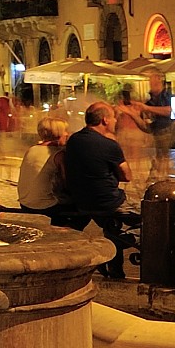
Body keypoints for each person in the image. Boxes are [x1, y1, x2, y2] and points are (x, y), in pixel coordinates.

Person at [58, 102, 133, 273]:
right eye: (114, 117)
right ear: (105, 120)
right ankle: (111, 255)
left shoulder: (74, 140)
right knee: (147, 218)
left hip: (80, 199)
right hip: (107, 201)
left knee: (108, 225)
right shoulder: (109, 145)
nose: (115, 121)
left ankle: (108, 257)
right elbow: (127, 176)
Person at [18, 118, 65, 217]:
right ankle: (62, 228)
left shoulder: (31, 149)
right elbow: (67, 183)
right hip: (45, 206)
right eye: (65, 130)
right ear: (59, 133)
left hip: (25, 203)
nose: (67, 134)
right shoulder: (58, 155)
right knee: (83, 207)